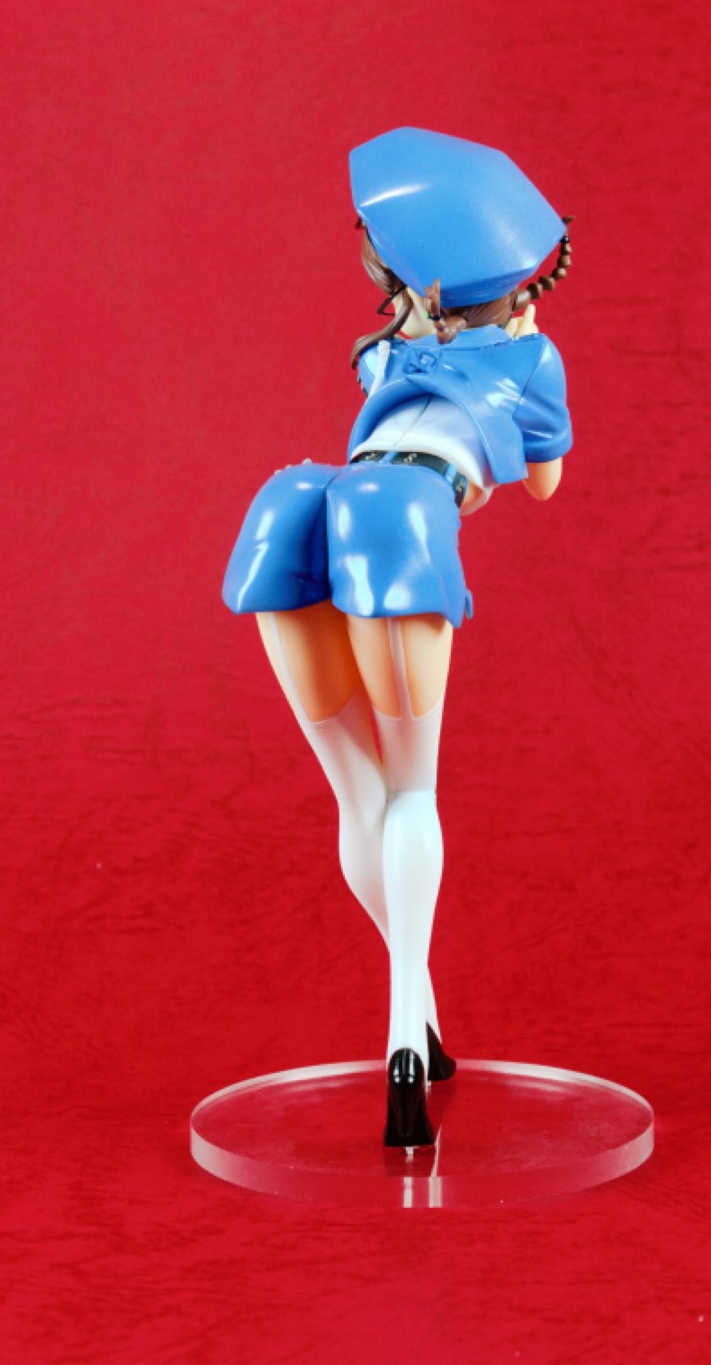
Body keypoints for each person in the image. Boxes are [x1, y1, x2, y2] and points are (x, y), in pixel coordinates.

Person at [223, 127, 573, 1148]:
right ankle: (403, 1044)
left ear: (426, 280)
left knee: (357, 792)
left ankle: (419, 1016)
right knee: (410, 792)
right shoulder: (531, 356)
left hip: (303, 502)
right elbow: (541, 482)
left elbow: (392, 393)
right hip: (401, 518)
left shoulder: (388, 353)